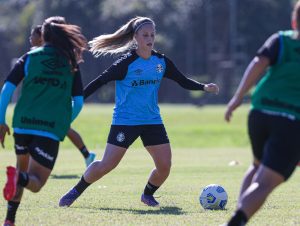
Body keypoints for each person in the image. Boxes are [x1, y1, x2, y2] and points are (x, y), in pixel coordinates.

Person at [59, 16, 219, 208]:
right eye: (145, 35)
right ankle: (75, 191)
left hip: (152, 120)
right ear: (136, 37)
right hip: (125, 121)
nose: (149, 38)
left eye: (152, 34)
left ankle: (147, 195)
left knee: (164, 166)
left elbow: (182, 80)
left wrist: (204, 87)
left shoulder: (161, 62)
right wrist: (76, 99)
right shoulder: (126, 63)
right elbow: (100, 82)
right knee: (107, 165)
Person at [1, 16, 87, 226]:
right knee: (35, 182)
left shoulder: (29, 57)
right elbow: (79, 102)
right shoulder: (70, 63)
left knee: (21, 168)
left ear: (43, 36)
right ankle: (18, 180)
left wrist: (1, 121)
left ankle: (9, 220)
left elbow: (7, 90)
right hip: (48, 130)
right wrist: (64, 122)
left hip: (22, 125)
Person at [223, 1, 300, 225]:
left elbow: (258, 62)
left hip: (259, 113)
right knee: (265, 183)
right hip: (290, 119)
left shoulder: (281, 39)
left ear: (294, 20)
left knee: (257, 165)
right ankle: (236, 221)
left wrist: (237, 98)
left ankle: (240, 212)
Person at [29, 24, 96, 167]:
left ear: (41, 37)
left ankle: (32, 163)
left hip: (55, 104)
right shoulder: (38, 55)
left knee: (56, 127)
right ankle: (87, 155)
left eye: (32, 35)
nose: (30, 38)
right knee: (63, 128)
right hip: (47, 105)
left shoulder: (52, 56)